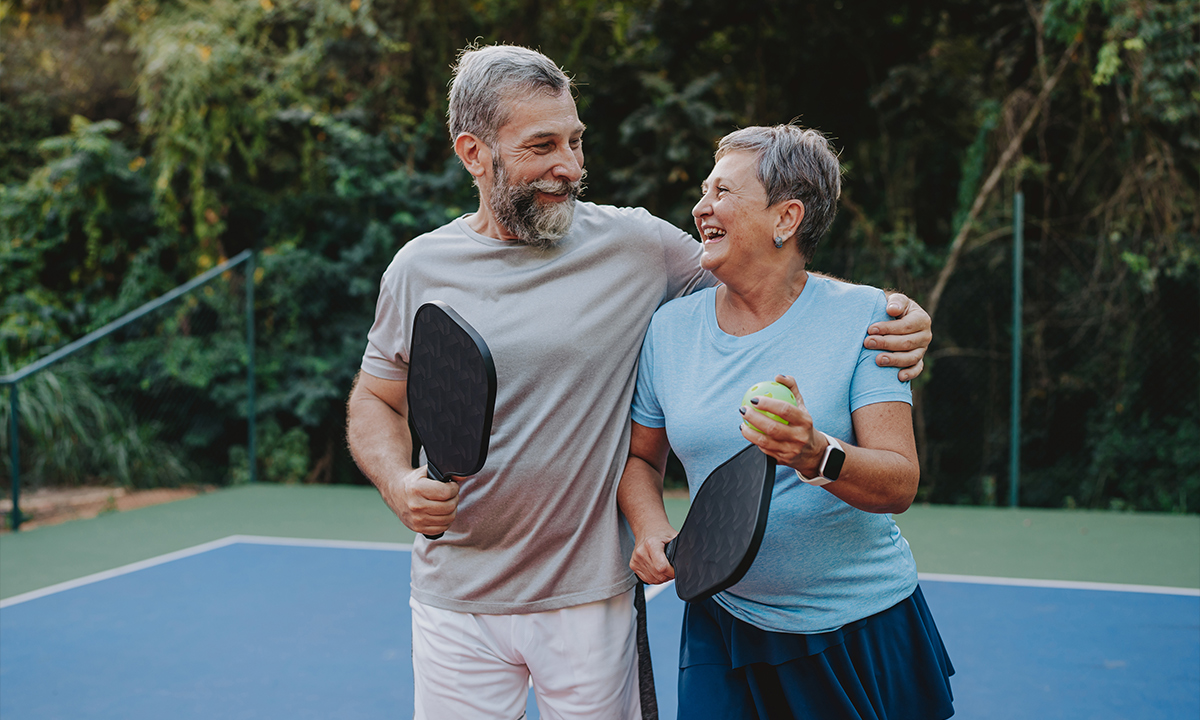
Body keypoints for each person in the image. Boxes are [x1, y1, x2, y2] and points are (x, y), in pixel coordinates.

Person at [346, 45, 933, 720]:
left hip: (588, 600)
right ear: (475, 153)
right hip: (455, 598)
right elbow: (376, 397)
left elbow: (767, 276)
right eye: (543, 146)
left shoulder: (638, 247)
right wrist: (396, 482)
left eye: (575, 141)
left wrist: (884, 308)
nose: (569, 166)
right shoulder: (419, 267)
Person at [618, 124, 955, 719]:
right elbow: (641, 458)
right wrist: (649, 528)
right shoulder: (669, 329)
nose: (701, 208)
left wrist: (816, 453)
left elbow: (900, 482)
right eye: (704, 190)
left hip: (857, 629)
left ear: (786, 218)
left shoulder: (869, 319)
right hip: (724, 624)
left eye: (724, 192)